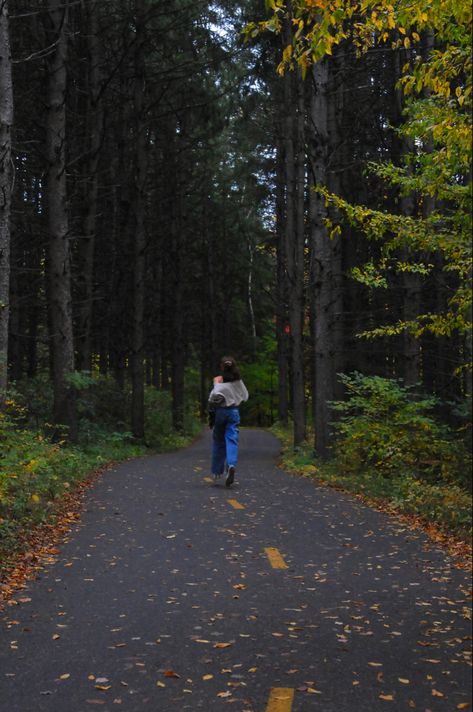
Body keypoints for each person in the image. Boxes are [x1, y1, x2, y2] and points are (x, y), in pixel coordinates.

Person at [208, 356, 249, 487]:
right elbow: (245, 396)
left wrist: (217, 384)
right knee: (232, 439)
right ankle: (231, 465)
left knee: (218, 440)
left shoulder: (218, 380)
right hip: (234, 412)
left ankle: (216, 471)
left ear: (222, 366)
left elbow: (213, 397)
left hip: (220, 412)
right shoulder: (238, 381)